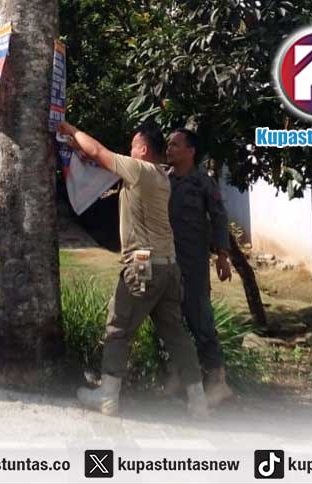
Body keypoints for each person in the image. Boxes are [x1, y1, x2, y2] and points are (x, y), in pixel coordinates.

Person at [57, 120, 208, 418]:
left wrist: (70, 129)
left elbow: (99, 152)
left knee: (118, 330)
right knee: (176, 335)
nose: (128, 152)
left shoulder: (140, 171)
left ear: (143, 150)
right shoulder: (161, 176)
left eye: (132, 147)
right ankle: (198, 400)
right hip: (168, 265)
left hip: (142, 262)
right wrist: (78, 147)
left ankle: (107, 398)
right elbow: (98, 158)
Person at [164, 129, 234, 407]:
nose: (169, 149)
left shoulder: (203, 181)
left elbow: (219, 217)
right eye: (168, 144)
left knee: (200, 320)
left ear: (190, 151)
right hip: (167, 262)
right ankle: (178, 376)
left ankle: (217, 381)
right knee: (170, 320)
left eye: (175, 145)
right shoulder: (164, 179)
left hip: (193, 264)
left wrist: (223, 255)